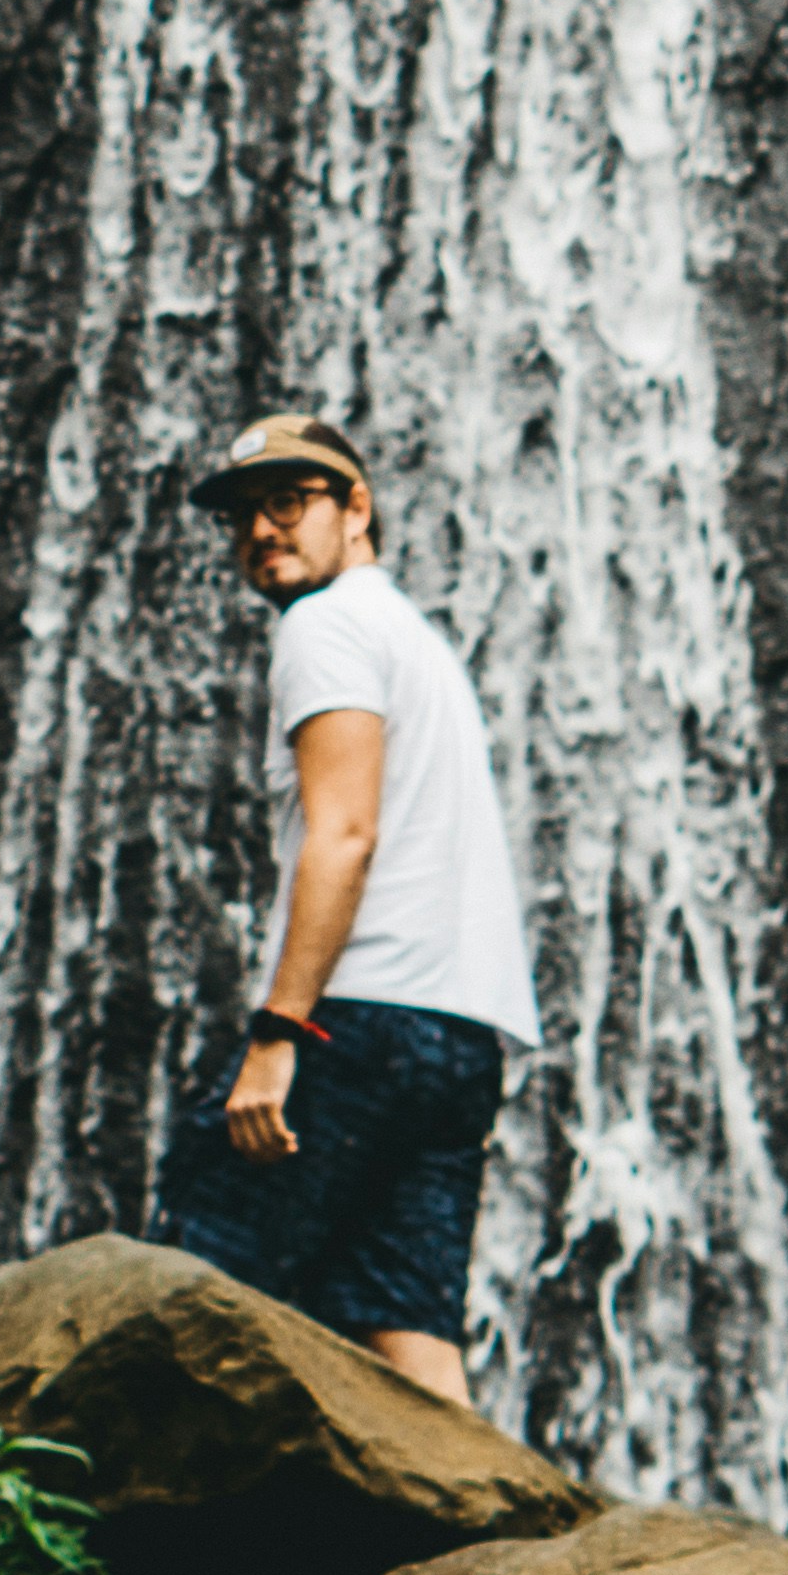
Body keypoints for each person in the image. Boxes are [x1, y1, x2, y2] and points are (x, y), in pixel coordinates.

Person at [149, 409, 543, 1409]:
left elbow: (344, 834)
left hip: (357, 1024)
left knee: (193, 1287)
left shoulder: (323, 626)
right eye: (243, 514)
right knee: (411, 1343)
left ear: (355, 508)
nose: (261, 529)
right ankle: (495, 1518)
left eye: (288, 501)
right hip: (460, 1042)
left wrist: (279, 1031)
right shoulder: (416, 642)